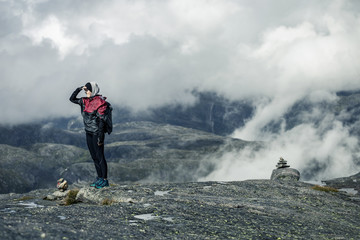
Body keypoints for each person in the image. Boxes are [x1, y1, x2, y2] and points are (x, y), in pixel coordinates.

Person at [69, 82, 109, 189]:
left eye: (88, 90)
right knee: (94, 156)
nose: (86, 92)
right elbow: (72, 99)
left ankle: (104, 180)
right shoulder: (85, 101)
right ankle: (99, 177)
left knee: (100, 156)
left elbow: (101, 122)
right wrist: (79, 88)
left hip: (96, 133)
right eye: (85, 90)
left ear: (93, 90)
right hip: (88, 132)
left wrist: (100, 137)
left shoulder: (100, 102)